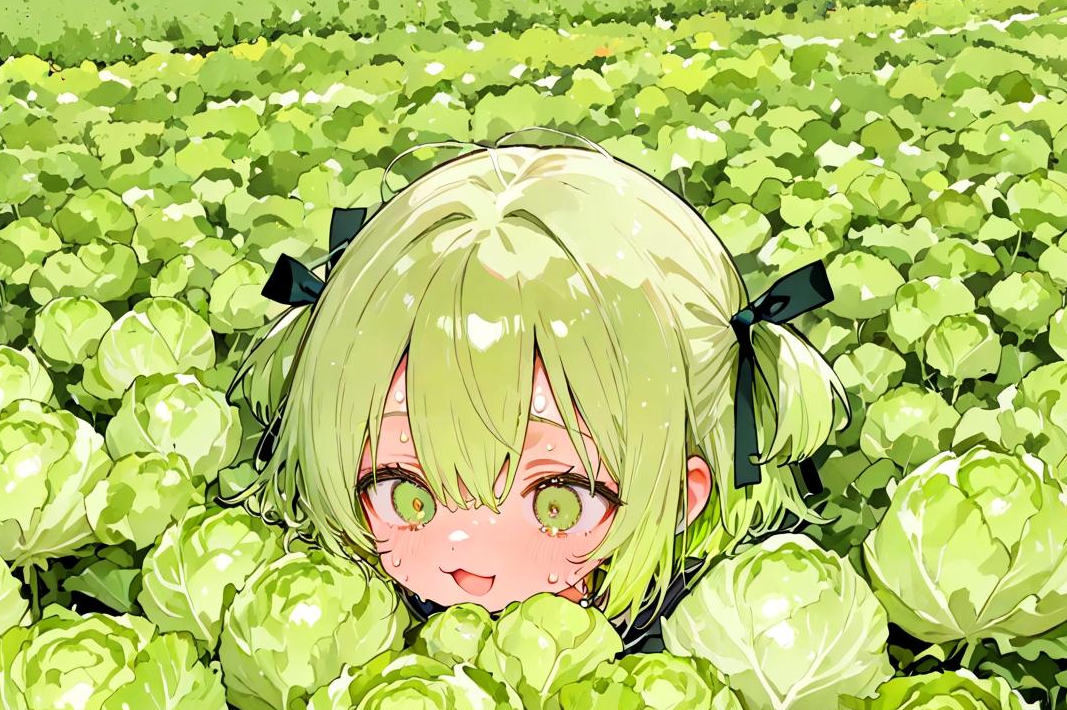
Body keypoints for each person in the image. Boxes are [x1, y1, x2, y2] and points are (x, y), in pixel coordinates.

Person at [229, 137, 847, 651]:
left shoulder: (685, 641)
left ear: (685, 496)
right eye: (405, 493)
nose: (467, 561)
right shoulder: (354, 624)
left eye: (559, 504)